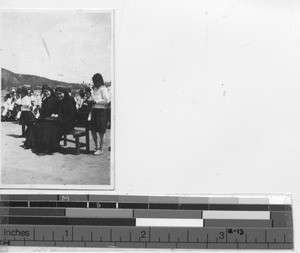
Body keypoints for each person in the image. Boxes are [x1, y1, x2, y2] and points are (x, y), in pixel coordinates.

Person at [34, 87, 77, 155]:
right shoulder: (60, 102)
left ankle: (48, 148)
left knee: (50, 127)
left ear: (64, 93)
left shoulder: (69, 102)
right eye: (57, 94)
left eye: (60, 94)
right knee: (46, 124)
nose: (59, 95)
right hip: (61, 122)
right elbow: (58, 112)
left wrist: (58, 117)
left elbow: (71, 117)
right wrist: (56, 115)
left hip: (68, 124)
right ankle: (44, 147)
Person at [24, 85, 58, 149]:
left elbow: (51, 111)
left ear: (50, 91)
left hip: (51, 120)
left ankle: (39, 144)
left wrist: (44, 112)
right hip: (44, 118)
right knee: (32, 124)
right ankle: (31, 143)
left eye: (47, 91)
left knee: (41, 126)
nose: (46, 93)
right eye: (44, 92)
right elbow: (43, 111)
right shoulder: (45, 100)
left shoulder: (54, 100)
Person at [90, 73, 110, 155]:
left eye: (95, 81)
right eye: (94, 82)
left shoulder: (103, 89)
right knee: (93, 131)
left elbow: (107, 101)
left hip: (101, 112)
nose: (94, 83)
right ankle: (96, 146)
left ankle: (101, 149)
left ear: (99, 81)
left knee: (101, 132)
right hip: (94, 111)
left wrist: (97, 102)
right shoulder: (95, 89)